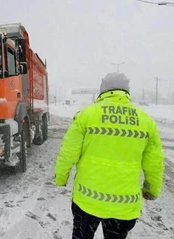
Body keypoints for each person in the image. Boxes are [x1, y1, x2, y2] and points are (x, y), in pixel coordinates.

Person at [55, 73, 164, 239]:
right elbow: (154, 162)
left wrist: (61, 178)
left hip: (87, 201)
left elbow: (68, 152)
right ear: (126, 91)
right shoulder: (146, 121)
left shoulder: (86, 115)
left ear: (103, 90)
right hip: (124, 206)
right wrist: (151, 189)